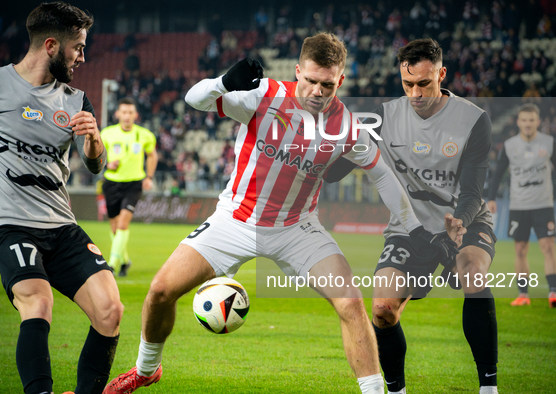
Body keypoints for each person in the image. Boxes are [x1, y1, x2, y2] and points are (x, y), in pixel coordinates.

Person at [104, 33, 457, 394]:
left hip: (297, 229)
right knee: (160, 291)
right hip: (235, 220)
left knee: (351, 303)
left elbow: (383, 175)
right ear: (297, 72)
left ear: (341, 81)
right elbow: (194, 100)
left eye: (327, 85)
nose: (318, 92)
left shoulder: (348, 126)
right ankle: (146, 370)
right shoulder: (264, 96)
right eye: (311, 82)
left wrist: (414, 230)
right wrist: (224, 82)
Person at [324, 38, 498, 394]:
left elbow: (472, 192)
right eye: (408, 84)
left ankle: (488, 387)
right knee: (383, 309)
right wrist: (337, 143)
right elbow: (333, 172)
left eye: (424, 83)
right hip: (409, 229)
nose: (415, 93)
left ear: (441, 74)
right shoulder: (385, 116)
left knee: (473, 274)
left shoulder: (473, 120)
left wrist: (459, 222)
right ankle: (397, 390)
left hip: (464, 221)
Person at [0, 3, 123, 394]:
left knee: (110, 310)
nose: (83, 57)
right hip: (9, 225)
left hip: (61, 226)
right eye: (78, 48)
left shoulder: (75, 99)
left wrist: (94, 142)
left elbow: (96, 166)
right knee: (38, 302)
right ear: (51, 45)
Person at [487, 103, 556, 308]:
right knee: (520, 249)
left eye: (531, 120)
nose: (527, 124)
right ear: (518, 122)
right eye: (524, 120)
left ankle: (553, 292)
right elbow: (498, 173)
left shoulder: (549, 143)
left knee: (548, 247)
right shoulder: (509, 145)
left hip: (543, 204)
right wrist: (491, 198)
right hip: (518, 205)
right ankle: (523, 294)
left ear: (538, 122)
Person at [101, 97, 158, 276]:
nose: (127, 116)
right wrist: (106, 164)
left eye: (130, 112)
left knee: (123, 223)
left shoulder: (145, 135)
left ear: (135, 115)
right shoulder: (107, 134)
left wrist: (148, 177)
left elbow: (152, 155)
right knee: (114, 226)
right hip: (111, 183)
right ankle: (125, 261)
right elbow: (96, 155)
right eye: (124, 112)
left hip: (134, 184)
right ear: (118, 114)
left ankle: (111, 263)